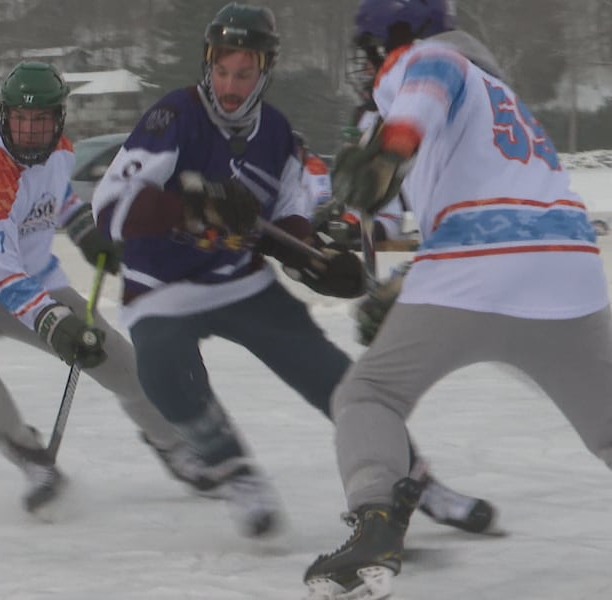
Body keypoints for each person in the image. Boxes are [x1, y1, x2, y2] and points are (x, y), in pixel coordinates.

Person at [91, 2, 495, 539]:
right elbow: (111, 204)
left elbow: (285, 225)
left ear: (265, 71)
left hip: (241, 283)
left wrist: (315, 262)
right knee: (163, 373)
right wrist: (192, 207)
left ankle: (418, 480)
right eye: (222, 70)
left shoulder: (277, 133)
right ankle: (235, 472)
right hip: (161, 288)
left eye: (245, 72)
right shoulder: (174, 115)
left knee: (338, 381)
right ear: (207, 64)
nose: (231, 85)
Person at [302, 1, 612, 598]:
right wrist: (385, 258)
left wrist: (392, 143)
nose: (367, 67)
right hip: (568, 264)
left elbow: (426, 87)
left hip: (476, 267)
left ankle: (374, 526)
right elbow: (399, 213)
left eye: (369, 52)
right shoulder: (498, 94)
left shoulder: (431, 59)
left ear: (390, 41)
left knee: (370, 394)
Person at [0, 61, 211, 514]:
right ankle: (31, 457)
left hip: (39, 284)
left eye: (42, 120)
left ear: (58, 120)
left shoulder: (60, 151)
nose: (31, 130)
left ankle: (174, 446)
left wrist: (85, 233)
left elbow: (58, 199)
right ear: (5, 116)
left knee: (117, 361)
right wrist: (55, 323)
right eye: (22, 118)